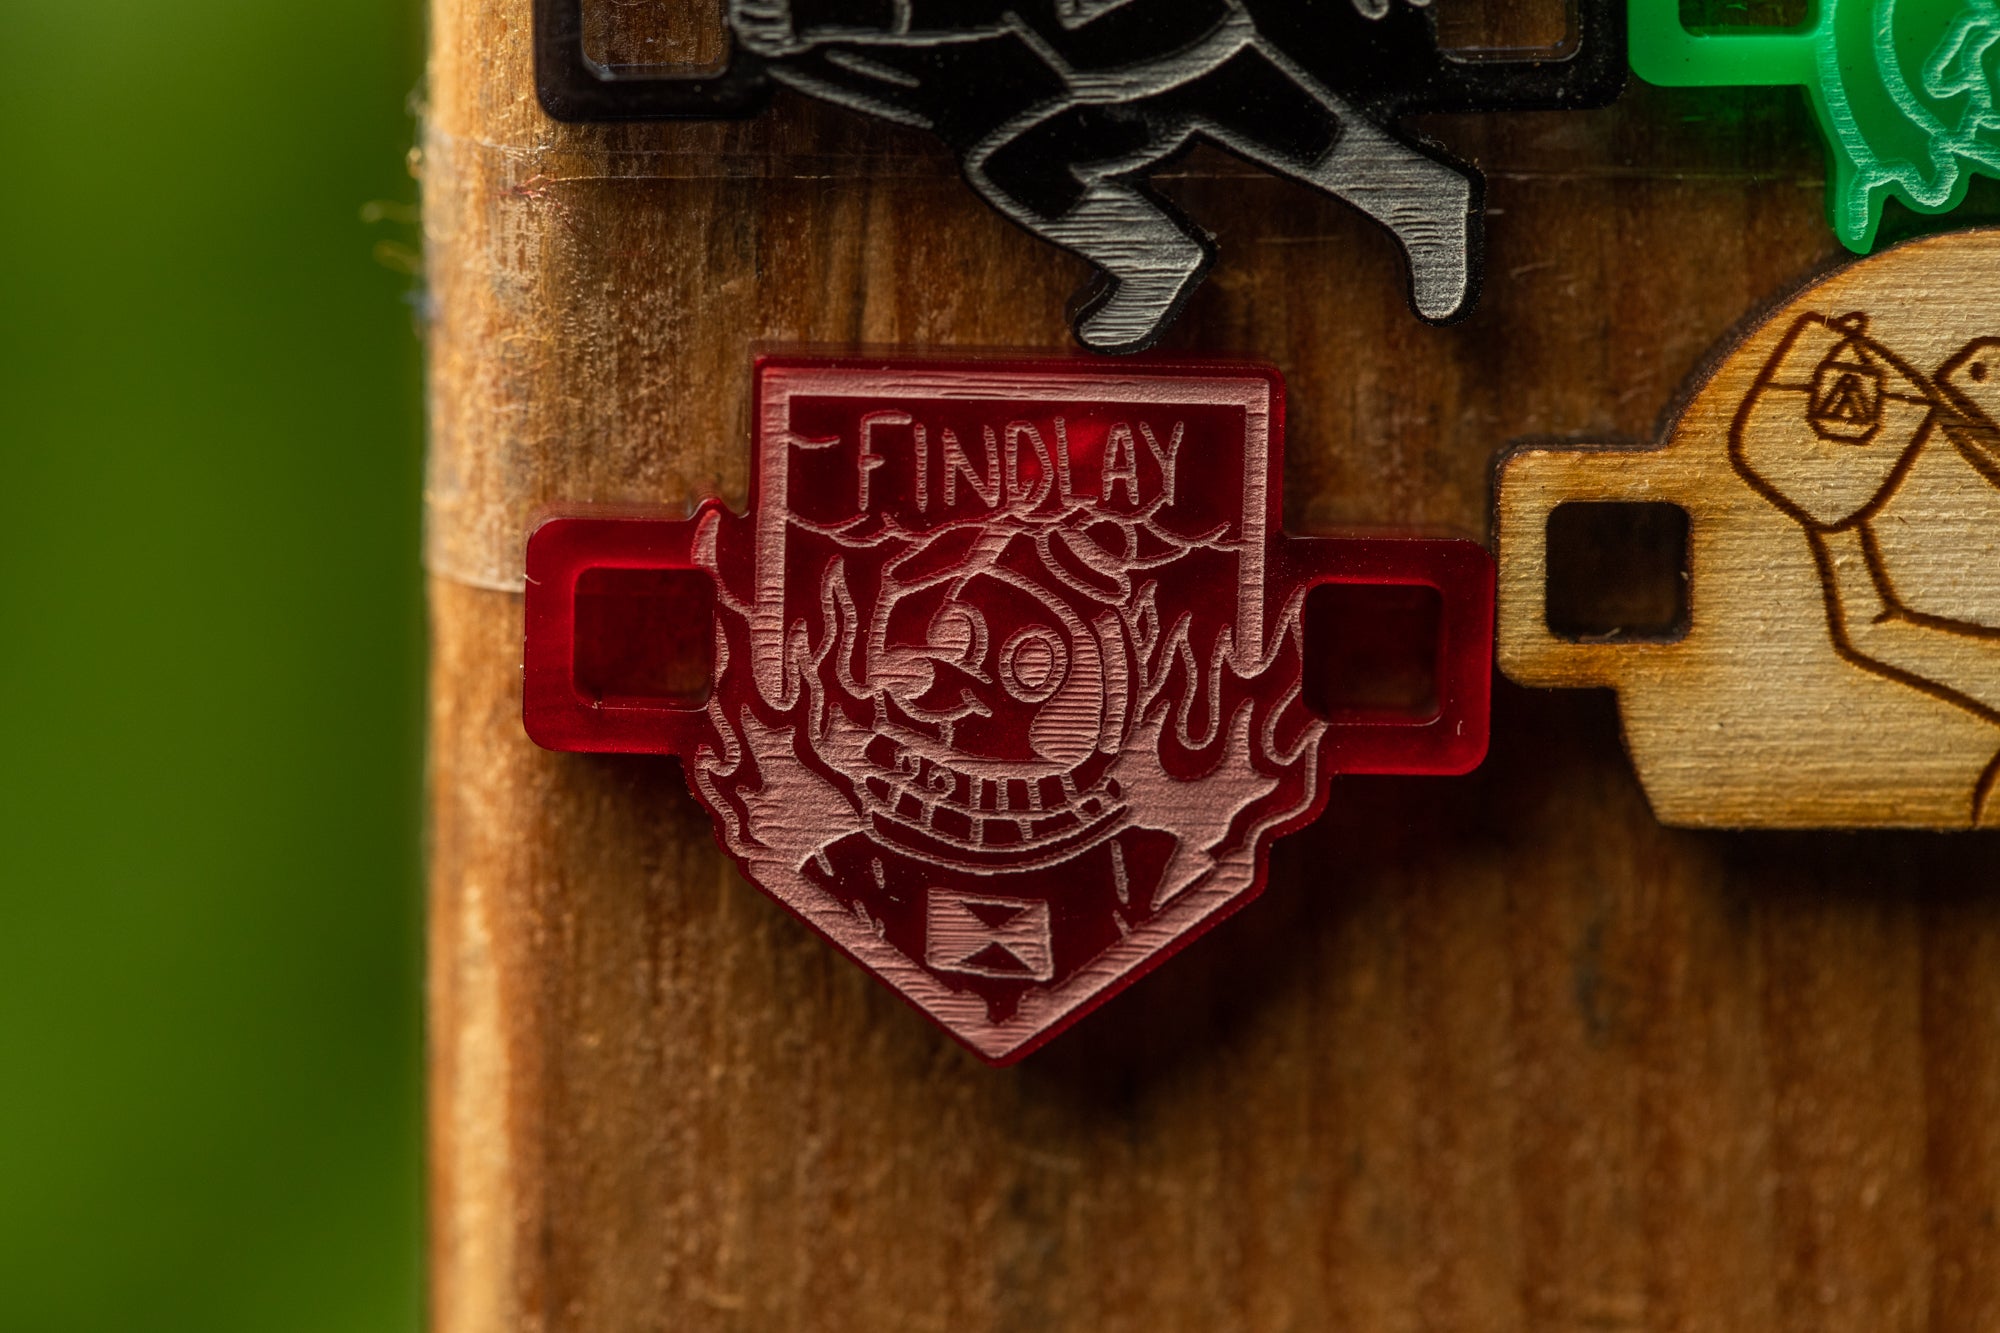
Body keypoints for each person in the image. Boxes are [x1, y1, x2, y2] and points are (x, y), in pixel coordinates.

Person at [729, 0, 1476, 351]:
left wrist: (817, 18)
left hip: (1179, 43)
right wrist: (800, 37)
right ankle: (1150, 256)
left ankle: (1416, 196)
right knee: (1015, 162)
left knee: (1227, 86)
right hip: (1087, 77)